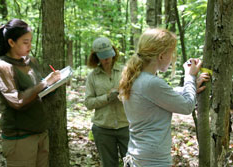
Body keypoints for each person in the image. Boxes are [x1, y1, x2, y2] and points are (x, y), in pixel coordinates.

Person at [118, 28, 210, 167]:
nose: (173, 57)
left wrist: (190, 87)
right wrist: (189, 76)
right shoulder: (151, 82)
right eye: (172, 53)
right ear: (161, 56)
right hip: (152, 160)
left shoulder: (136, 78)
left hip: (138, 156)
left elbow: (160, 96)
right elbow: (187, 106)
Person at [0, 19, 61, 167]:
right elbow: (16, 101)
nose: (30, 46)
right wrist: (45, 83)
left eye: (31, 41)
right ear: (11, 42)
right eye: (25, 42)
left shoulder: (30, 62)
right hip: (19, 138)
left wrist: (53, 85)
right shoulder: (2, 66)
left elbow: (38, 93)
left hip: (40, 132)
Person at [84, 37, 129, 167]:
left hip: (126, 126)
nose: (106, 59)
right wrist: (107, 97)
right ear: (96, 57)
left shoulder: (125, 71)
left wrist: (123, 93)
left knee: (133, 163)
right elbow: (88, 103)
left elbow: (136, 95)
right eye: (103, 57)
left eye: (108, 55)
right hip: (103, 129)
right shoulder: (92, 77)